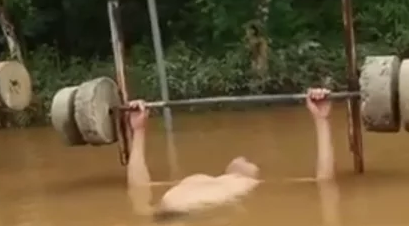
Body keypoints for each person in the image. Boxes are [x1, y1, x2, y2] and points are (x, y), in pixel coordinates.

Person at [126, 88, 336, 219]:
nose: (243, 157)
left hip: (191, 213)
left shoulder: (253, 187)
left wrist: (321, 121)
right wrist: (139, 130)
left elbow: (324, 183)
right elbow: (140, 189)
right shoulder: (202, 179)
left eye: (249, 160)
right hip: (167, 211)